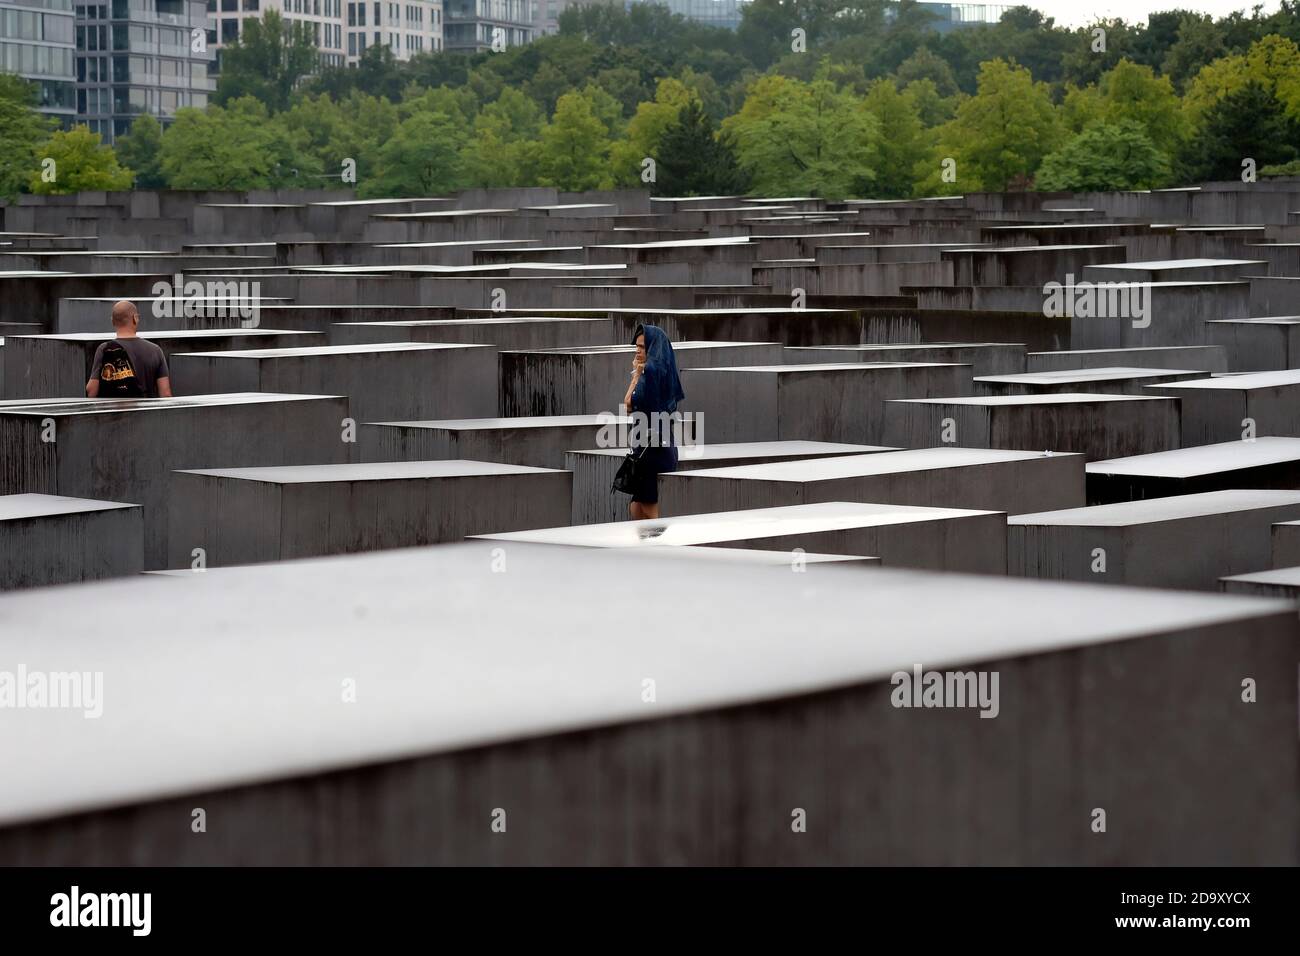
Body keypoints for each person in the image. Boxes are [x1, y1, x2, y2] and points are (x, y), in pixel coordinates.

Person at [621, 323, 685, 520]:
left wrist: (637, 376)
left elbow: (628, 404)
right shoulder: (655, 371)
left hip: (654, 450)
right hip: (647, 447)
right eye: (637, 346)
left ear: (653, 347)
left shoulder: (652, 373)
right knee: (637, 506)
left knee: (648, 508)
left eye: (642, 347)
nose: (637, 351)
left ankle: (658, 549)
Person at [85, 300, 172, 398]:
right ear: (135, 318)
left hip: (115, 412)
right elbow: (165, 393)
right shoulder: (155, 350)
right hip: (146, 412)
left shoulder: (105, 349)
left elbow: (92, 390)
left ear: (112, 321)